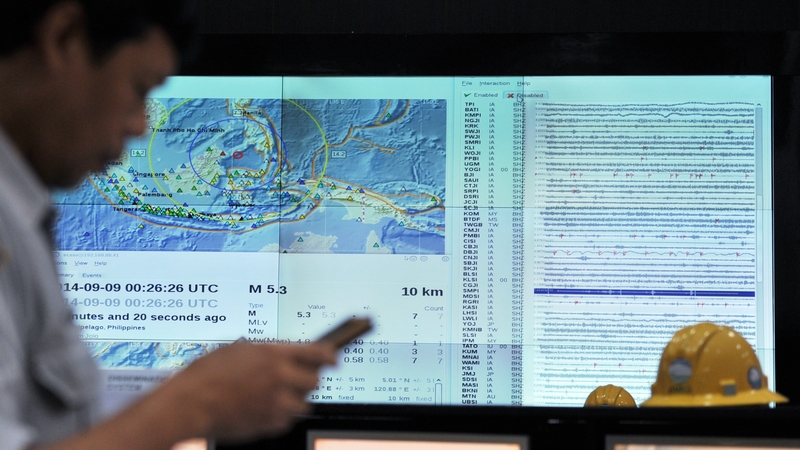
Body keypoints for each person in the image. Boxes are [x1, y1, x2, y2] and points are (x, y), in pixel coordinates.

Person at [0, 1, 337, 449]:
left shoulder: (20, 214)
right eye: (139, 88)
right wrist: (197, 404)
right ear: (64, 39)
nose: (141, 127)